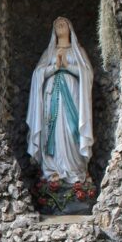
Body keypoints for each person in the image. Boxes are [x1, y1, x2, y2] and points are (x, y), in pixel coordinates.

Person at [26, 16, 95, 185]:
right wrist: (55, 67)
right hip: (51, 95)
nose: (60, 26)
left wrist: (68, 66)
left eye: (63, 24)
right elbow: (37, 75)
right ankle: (53, 170)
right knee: (52, 129)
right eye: (57, 25)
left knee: (72, 130)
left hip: (72, 95)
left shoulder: (78, 51)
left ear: (70, 28)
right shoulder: (49, 52)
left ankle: (75, 170)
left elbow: (88, 74)